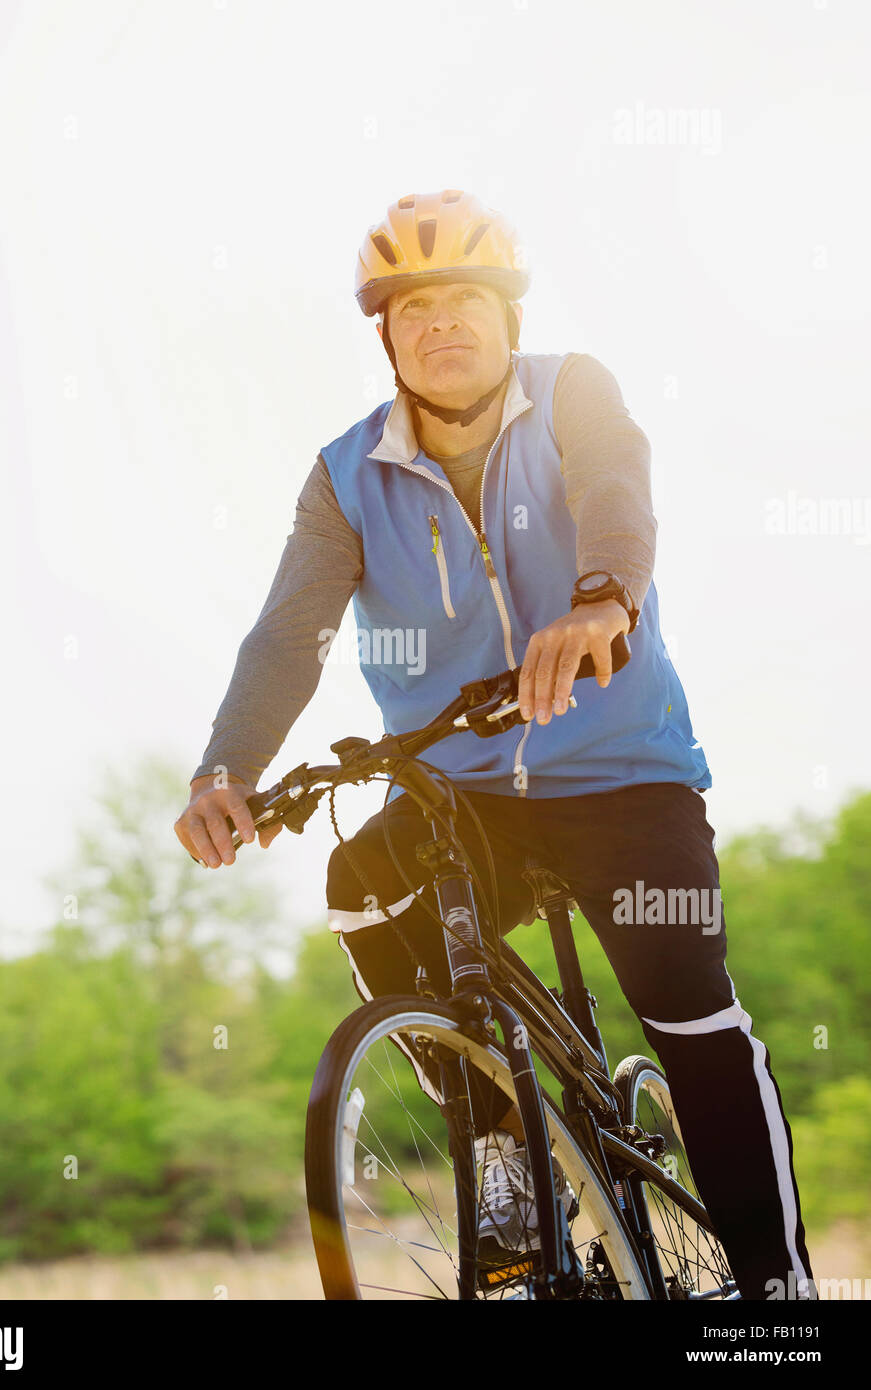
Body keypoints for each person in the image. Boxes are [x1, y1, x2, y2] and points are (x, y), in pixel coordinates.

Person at [174, 189, 817, 1301]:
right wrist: (229, 767)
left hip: (625, 776)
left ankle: (777, 1294)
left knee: (690, 1012)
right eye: (413, 306)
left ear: (509, 314)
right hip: (462, 792)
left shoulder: (575, 392)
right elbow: (291, 631)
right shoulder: (345, 474)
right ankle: (505, 1145)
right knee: (361, 881)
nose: (442, 323)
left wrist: (603, 599)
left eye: (466, 297)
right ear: (385, 333)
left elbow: (616, 484)